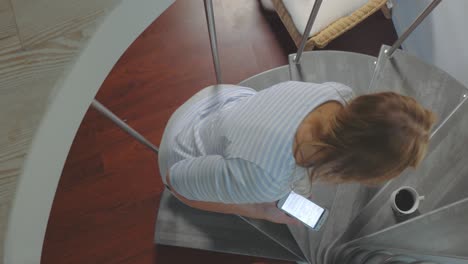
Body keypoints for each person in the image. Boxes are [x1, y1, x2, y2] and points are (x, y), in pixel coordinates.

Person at [158, 81, 435, 225]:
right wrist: (260, 211)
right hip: (180, 147)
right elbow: (174, 181)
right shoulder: (266, 178)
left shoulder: (337, 93)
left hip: (220, 99)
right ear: (351, 169)